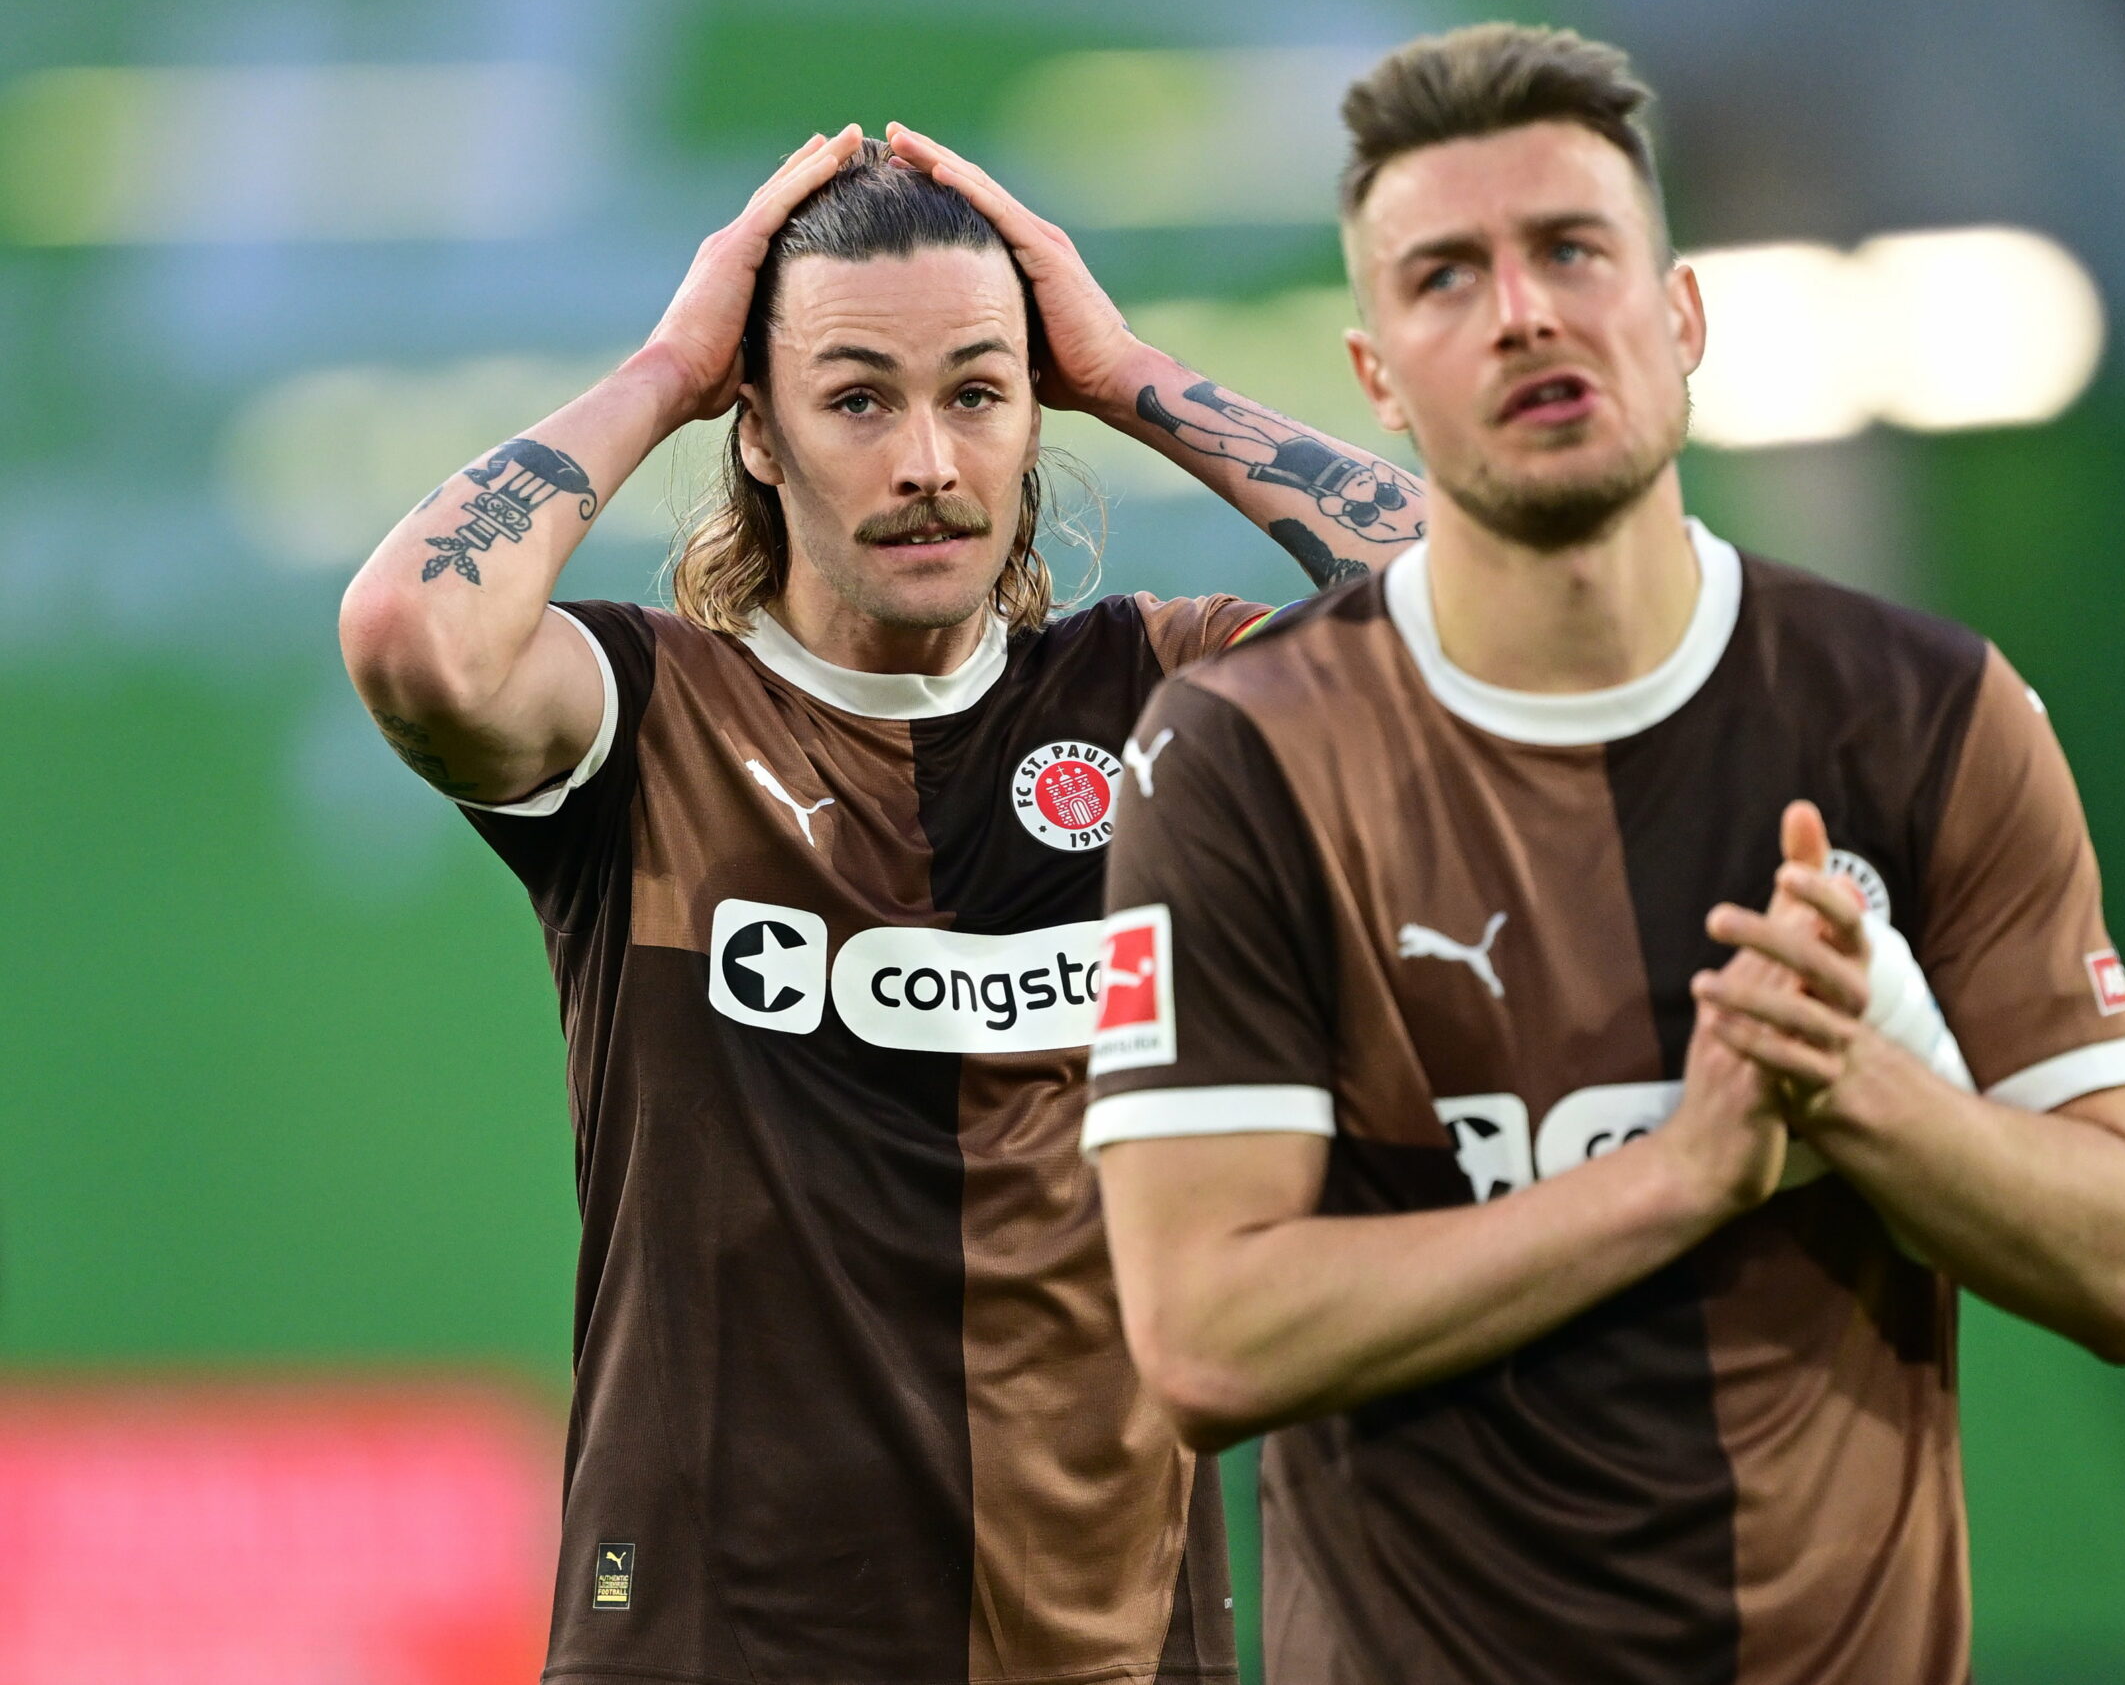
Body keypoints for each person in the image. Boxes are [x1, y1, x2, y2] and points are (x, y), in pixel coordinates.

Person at [1084, 24, 2125, 1685]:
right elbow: (1204, 1337)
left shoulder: (1929, 712)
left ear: (1678, 319)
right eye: (1446, 276)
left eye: (1572, 249)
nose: (1524, 309)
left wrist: (1860, 1085)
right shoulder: (1245, 757)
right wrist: (1680, 1174)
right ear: (1378, 375)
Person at [337, 124, 1418, 1685]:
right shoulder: (651, 719)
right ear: (757, 433)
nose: (928, 461)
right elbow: (412, 637)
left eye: (978, 393)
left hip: (1108, 1655)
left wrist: (1125, 373)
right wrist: (664, 367)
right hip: (712, 1648)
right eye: (857, 400)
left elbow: (1488, 633)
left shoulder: (1160, 694)